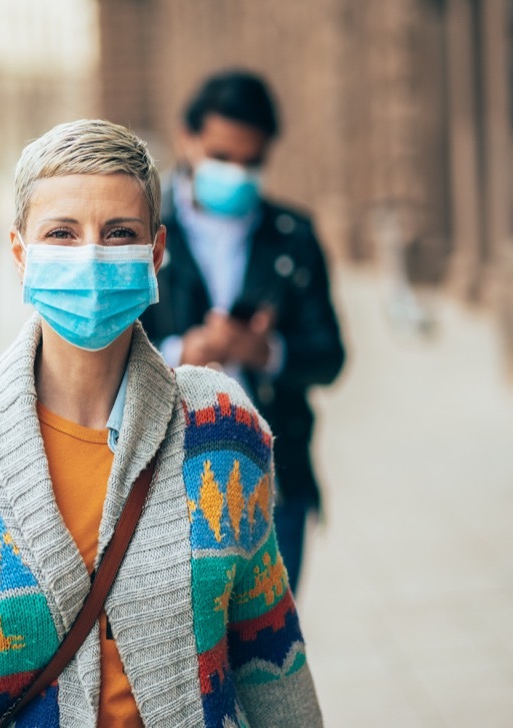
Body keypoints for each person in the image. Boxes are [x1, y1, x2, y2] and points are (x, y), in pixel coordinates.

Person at [0, 119, 322, 726]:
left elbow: (270, 659)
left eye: (119, 233)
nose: (92, 257)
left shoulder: (222, 429)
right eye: (62, 233)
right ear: (20, 252)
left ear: (156, 252)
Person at [140, 71, 345, 593]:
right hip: (176, 485)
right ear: (189, 139)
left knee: (272, 654)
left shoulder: (293, 237)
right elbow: (111, 350)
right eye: (222, 157)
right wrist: (184, 351)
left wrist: (265, 351)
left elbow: (330, 355)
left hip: (277, 481)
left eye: (251, 162)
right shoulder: (141, 231)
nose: (236, 172)